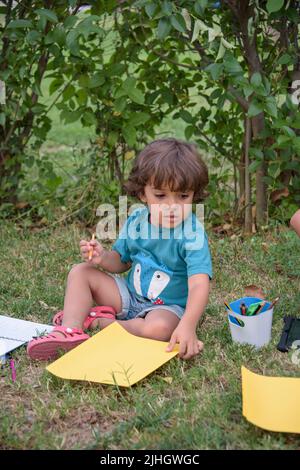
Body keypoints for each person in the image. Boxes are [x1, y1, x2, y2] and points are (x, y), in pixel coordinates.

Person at [27, 138, 213, 361]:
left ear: (194, 194)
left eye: (183, 196)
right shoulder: (137, 220)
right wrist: (102, 257)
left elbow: (199, 284)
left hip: (167, 308)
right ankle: (70, 330)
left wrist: (188, 326)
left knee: (160, 330)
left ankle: (101, 323)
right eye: (160, 195)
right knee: (81, 271)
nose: (171, 206)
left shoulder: (192, 233)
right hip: (129, 298)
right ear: (143, 194)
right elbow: (121, 261)